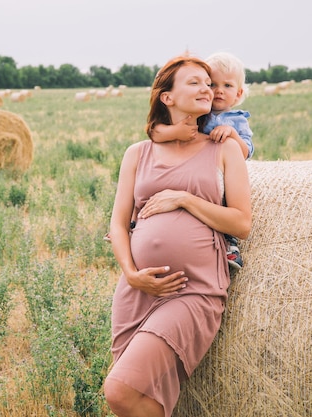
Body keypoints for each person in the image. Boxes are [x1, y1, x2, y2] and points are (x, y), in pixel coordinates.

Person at [103, 55, 252, 417]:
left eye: (209, 82)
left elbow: (242, 223)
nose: (208, 88)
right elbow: (118, 224)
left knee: (119, 391)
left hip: (193, 289)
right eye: (195, 82)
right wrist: (131, 273)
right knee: (139, 398)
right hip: (136, 291)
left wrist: (184, 199)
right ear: (166, 97)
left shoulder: (224, 147)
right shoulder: (138, 153)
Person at [149, 51, 253, 270]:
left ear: (239, 93)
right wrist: (175, 131)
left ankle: (229, 246)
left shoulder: (237, 120)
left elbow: (246, 151)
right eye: (212, 84)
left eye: (227, 86)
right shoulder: (198, 113)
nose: (217, 91)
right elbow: (155, 132)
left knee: (223, 201)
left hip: (221, 174)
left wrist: (231, 135)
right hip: (194, 168)